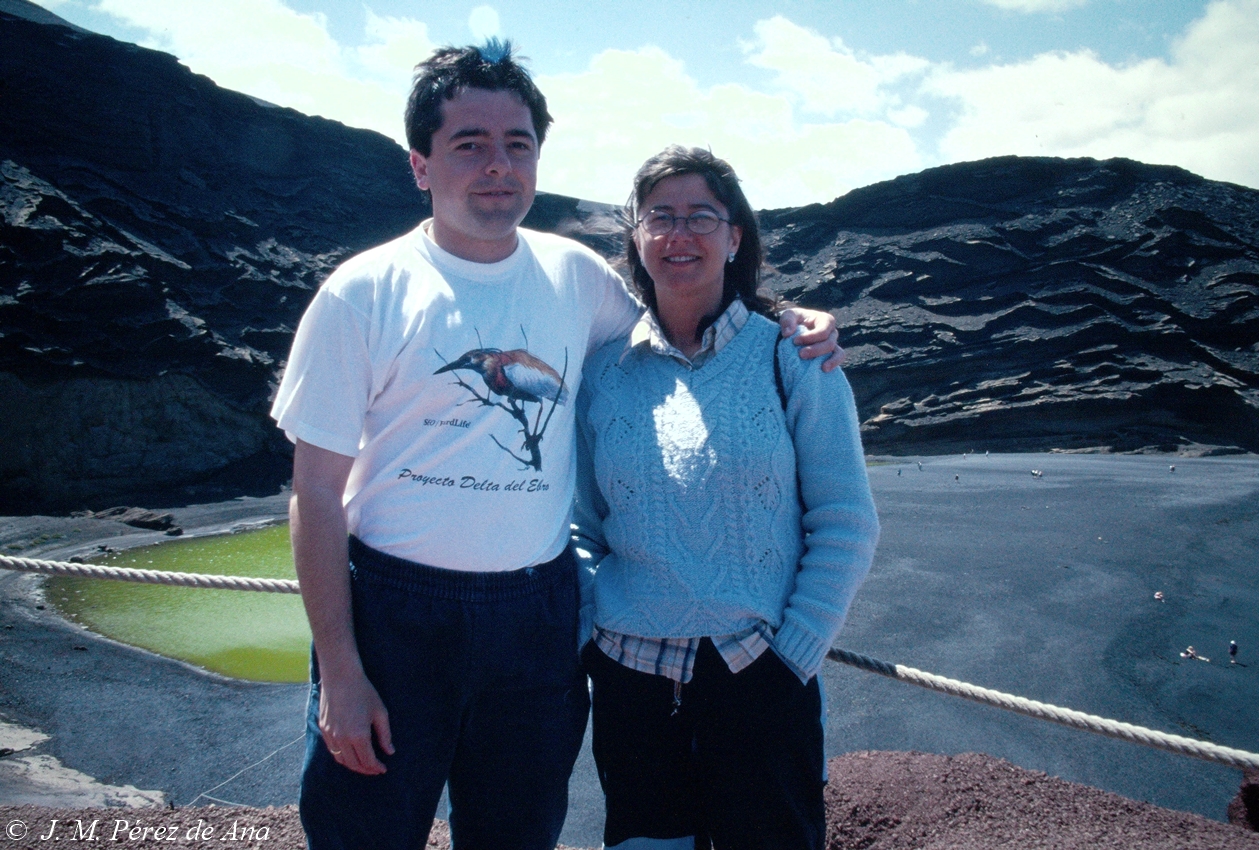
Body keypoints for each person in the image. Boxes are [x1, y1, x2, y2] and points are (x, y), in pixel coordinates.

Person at [270, 42, 844, 850]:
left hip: (535, 621)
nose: (497, 165)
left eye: (517, 144)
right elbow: (315, 494)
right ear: (420, 165)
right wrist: (339, 669)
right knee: (363, 831)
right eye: (469, 143)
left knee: (516, 833)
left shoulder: (575, 277)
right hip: (395, 615)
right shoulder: (361, 291)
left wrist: (789, 319)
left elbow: (686, 316)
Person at [574, 146, 881, 850]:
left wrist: (792, 657)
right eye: (660, 217)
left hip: (759, 677)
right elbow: (582, 526)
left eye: (701, 216)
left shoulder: (793, 356)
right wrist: (593, 634)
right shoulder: (603, 372)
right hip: (629, 681)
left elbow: (845, 522)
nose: (679, 234)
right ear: (637, 237)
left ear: (735, 236)